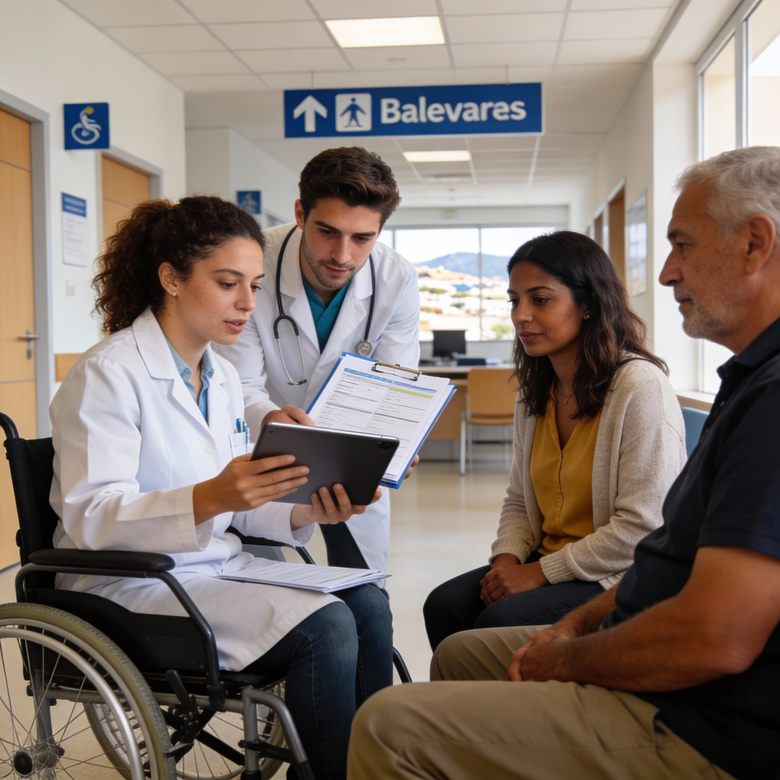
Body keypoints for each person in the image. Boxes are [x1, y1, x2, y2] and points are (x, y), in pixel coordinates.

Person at [348, 146, 780, 780]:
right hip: (620, 608)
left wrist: (563, 640)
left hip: (701, 717)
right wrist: (530, 581)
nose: (665, 273)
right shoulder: (742, 383)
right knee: (455, 623)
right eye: (514, 300)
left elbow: (697, 606)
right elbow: (530, 504)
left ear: (755, 244)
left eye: (681, 245)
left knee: (390, 720)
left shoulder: (715, 395)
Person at [49, 195, 393, 780]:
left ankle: (369, 767)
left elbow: (244, 498)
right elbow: (91, 515)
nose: (247, 304)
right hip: (131, 584)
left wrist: (309, 507)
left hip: (212, 568)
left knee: (367, 603)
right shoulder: (109, 373)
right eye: (228, 283)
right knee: (327, 627)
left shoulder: (223, 376)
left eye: (255, 286)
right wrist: (213, 496)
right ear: (171, 279)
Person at [423, 231, 685, 650]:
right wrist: (506, 560)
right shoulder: (538, 390)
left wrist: (540, 573)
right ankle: (477, 714)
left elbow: (644, 527)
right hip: (548, 558)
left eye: (540, 299)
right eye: (514, 300)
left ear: (587, 304)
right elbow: (518, 500)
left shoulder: (639, 386)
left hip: (617, 574)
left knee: (498, 619)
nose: (521, 315)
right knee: (444, 605)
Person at [216, 146, 420, 573]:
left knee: (364, 585)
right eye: (328, 231)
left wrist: (402, 433)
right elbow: (237, 384)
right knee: (263, 582)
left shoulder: (396, 278)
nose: (342, 255)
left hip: (353, 457)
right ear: (300, 213)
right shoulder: (256, 264)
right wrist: (273, 419)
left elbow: (397, 382)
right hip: (263, 449)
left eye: (362, 238)